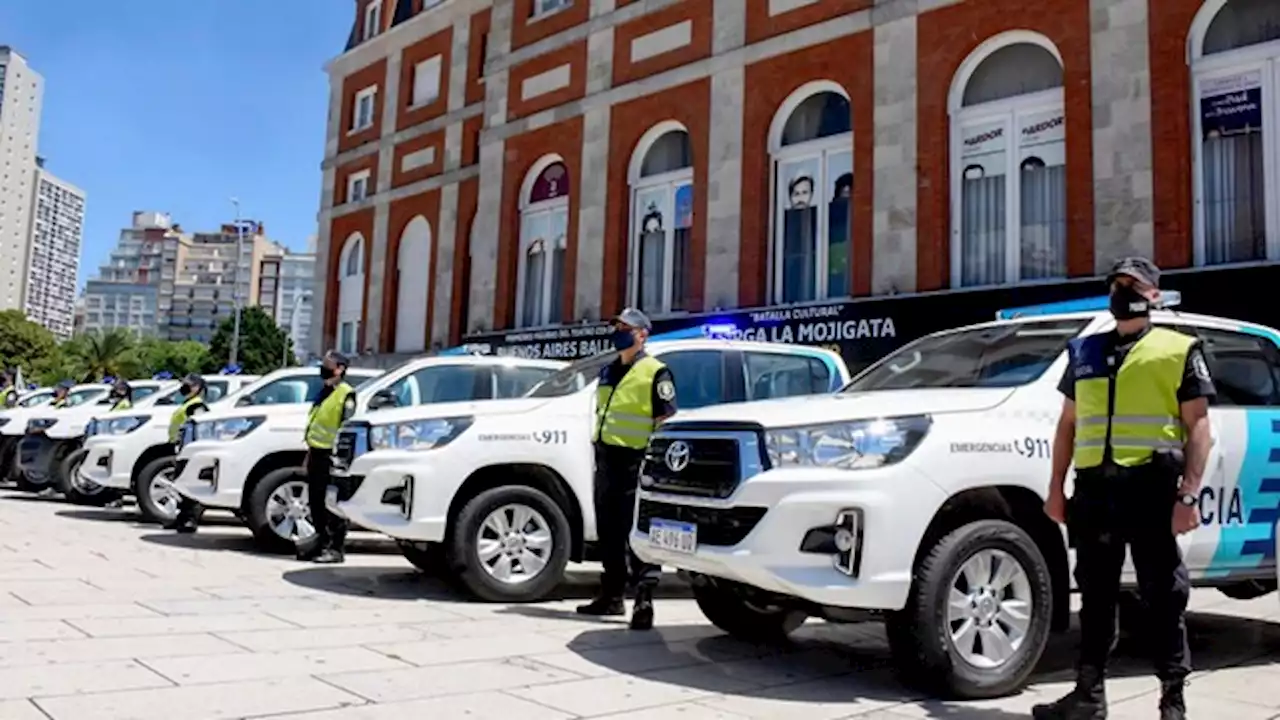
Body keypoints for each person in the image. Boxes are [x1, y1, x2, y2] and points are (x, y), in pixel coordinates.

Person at [1035, 257, 1214, 720]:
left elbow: (1198, 427)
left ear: (1154, 294)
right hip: (1094, 492)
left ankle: (1173, 701)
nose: (1122, 291)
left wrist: (1188, 495)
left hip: (1150, 489)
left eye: (1133, 284)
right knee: (1094, 597)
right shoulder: (1084, 351)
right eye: (1116, 284)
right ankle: (1088, 697)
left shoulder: (1178, 349)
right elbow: (1067, 425)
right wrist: (1056, 489)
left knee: (1164, 597)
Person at [577, 308, 676, 631]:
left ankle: (644, 600)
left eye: (626, 328)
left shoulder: (656, 372)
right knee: (609, 531)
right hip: (606, 459)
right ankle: (612, 596)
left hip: (637, 462)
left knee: (637, 534)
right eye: (616, 326)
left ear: (642, 334)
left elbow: (664, 421)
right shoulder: (607, 371)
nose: (618, 331)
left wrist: (655, 464)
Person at [297, 351, 357, 564]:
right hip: (316, 453)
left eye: (328, 364)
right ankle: (320, 544)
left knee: (332, 505)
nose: (324, 367)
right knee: (316, 503)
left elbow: (346, 427)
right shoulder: (324, 392)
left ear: (340, 368)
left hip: (332, 458)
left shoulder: (346, 394)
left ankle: (335, 548)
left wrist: (340, 459)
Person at [166, 374, 210, 534]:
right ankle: (181, 518)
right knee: (180, 486)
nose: (184, 387)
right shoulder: (188, 403)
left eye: (189, 385)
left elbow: (199, 427)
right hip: (181, 449)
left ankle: (190, 520)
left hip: (190, 451)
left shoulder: (197, 406)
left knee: (188, 486)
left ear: (198, 388)